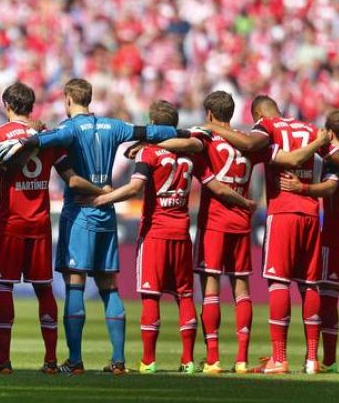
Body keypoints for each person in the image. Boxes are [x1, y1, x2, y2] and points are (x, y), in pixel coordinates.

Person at [0, 79, 201, 374]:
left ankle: (75, 360)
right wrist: (183, 133)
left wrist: (28, 137)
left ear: (68, 100)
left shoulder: (68, 129)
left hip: (81, 210)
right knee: (109, 287)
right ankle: (118, 360)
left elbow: (39, 142)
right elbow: (151, 131)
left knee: (75, 284)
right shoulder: (114, 126)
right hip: (107, 213)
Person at [0, 82, 112, 374]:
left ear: (7, 105)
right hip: (40, 223)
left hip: (11, 223)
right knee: (44, 291)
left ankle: (3, 360)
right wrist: (100, 191)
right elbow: (69, 176)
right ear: (31, 107)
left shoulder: (0, 134)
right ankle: (51, 360)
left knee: (4, 289)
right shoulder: (48, 136)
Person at [81, 101, 255, 373]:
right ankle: (187, 361)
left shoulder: (149, 153)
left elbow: (134, 188)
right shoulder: (191, 156)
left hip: (155, 233)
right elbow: (217, 185)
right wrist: (244, 202)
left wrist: (104, 198)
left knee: (151, 296)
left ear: (152, 125)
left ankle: (148, 361)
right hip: (182, 232)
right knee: (185, 296)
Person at [206, 95, 339, 374]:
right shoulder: (310, 128)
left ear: (258, 115)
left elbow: (249, 144)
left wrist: (214, 127)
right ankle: (311, 360)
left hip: (283, 212)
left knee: (279, 282)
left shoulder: (268, 128)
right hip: (312, 213)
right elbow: (336, 161)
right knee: (310, 285)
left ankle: (279, 358)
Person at [280, 110, 339, 374]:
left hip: (338, 239)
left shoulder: (333, 155)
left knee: (329, 299)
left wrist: (303, 189)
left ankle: (330, 361)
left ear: (330, 133)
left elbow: (330, 187)